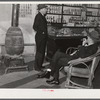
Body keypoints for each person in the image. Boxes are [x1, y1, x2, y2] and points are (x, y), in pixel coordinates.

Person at [33, 4, 48, 71]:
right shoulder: (38, 16)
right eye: (45, 9)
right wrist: (42, 32)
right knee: (39, 52)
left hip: (43, 37)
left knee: (42, 52)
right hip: (40, 37)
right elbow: (34, 27)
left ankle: (40, 65)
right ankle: (37, 67)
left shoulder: (42, 16)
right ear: (41, 9)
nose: (46, 10)